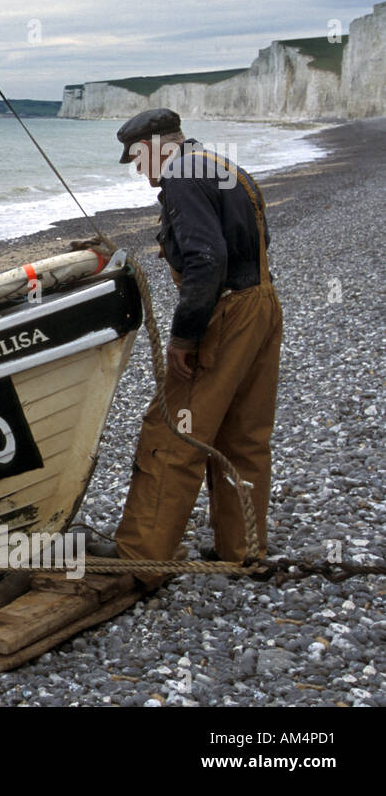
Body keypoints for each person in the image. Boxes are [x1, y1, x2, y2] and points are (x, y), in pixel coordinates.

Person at [111, 108, 282, 586]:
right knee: (242, 437)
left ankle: (141, 561)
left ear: (155, 147)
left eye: (138, 159)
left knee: (172, 432)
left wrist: (184, 339)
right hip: (262, 303)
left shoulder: (181, 177)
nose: (139, 170)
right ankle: (242, 551)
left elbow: (208, 260)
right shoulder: (224, 167)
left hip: (226, 313)